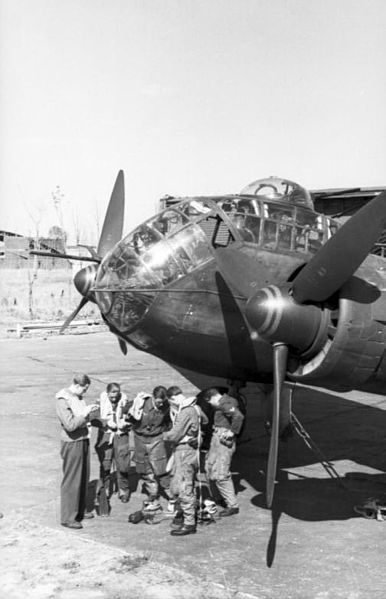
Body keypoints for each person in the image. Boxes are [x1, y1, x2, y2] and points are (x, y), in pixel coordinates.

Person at [56, 373, 99, 529]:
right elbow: (70, 425)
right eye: (85, 389)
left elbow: (82, 418)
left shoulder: (78, 397)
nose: (85, 393)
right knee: (72, 480)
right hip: (72, 442)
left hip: (83, 440)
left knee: (82, 478)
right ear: (78, 385)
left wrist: (93, 414)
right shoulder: (62, 399)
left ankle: (79, 511)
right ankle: (68, 517)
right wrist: (85, 413)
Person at [163, 386, 206, 536]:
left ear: (172, 399)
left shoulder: (185, 411)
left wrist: (161, 435)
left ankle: (189, 523)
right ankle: (183, 514)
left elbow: (174, 435)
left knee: (184, 487)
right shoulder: (195, 407)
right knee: (185, 483)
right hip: (191, 452)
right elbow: (205, 420)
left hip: (184, 452)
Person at [201, 387, 244, 517]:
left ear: (212, 398)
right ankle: (217, 497)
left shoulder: (224, 403)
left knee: (221, 473)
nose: (211, 405)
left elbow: (238, 416)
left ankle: (232, 505)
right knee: (209, 467)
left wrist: (232, 431)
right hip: (217, 438)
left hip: (223, 441)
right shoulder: (227, 400)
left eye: (209, 402)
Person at [127, 386, 171, 513]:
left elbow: (169, 423)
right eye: (158, 401)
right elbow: (127, 413)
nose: (160, 404)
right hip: (140, 439)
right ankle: (153, 495)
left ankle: (172, 497)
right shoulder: (141, 403)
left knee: (161, 469)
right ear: (153, 397)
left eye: (163, 401)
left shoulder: (166, 407)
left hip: (156, 439)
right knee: (145, 470)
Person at [94, 383, 135, 510]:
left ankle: (124, 491)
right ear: (107, 394)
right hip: (106, 435)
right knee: (105, 465)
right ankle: (104, 491)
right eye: (111, 397)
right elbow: (94, 419)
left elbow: (133, 418)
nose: (114, 399)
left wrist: (125, 424)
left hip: (121, 435)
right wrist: (106, 422)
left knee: (123, 465)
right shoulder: (100, 403)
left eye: (116, 396)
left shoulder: (126, 402)